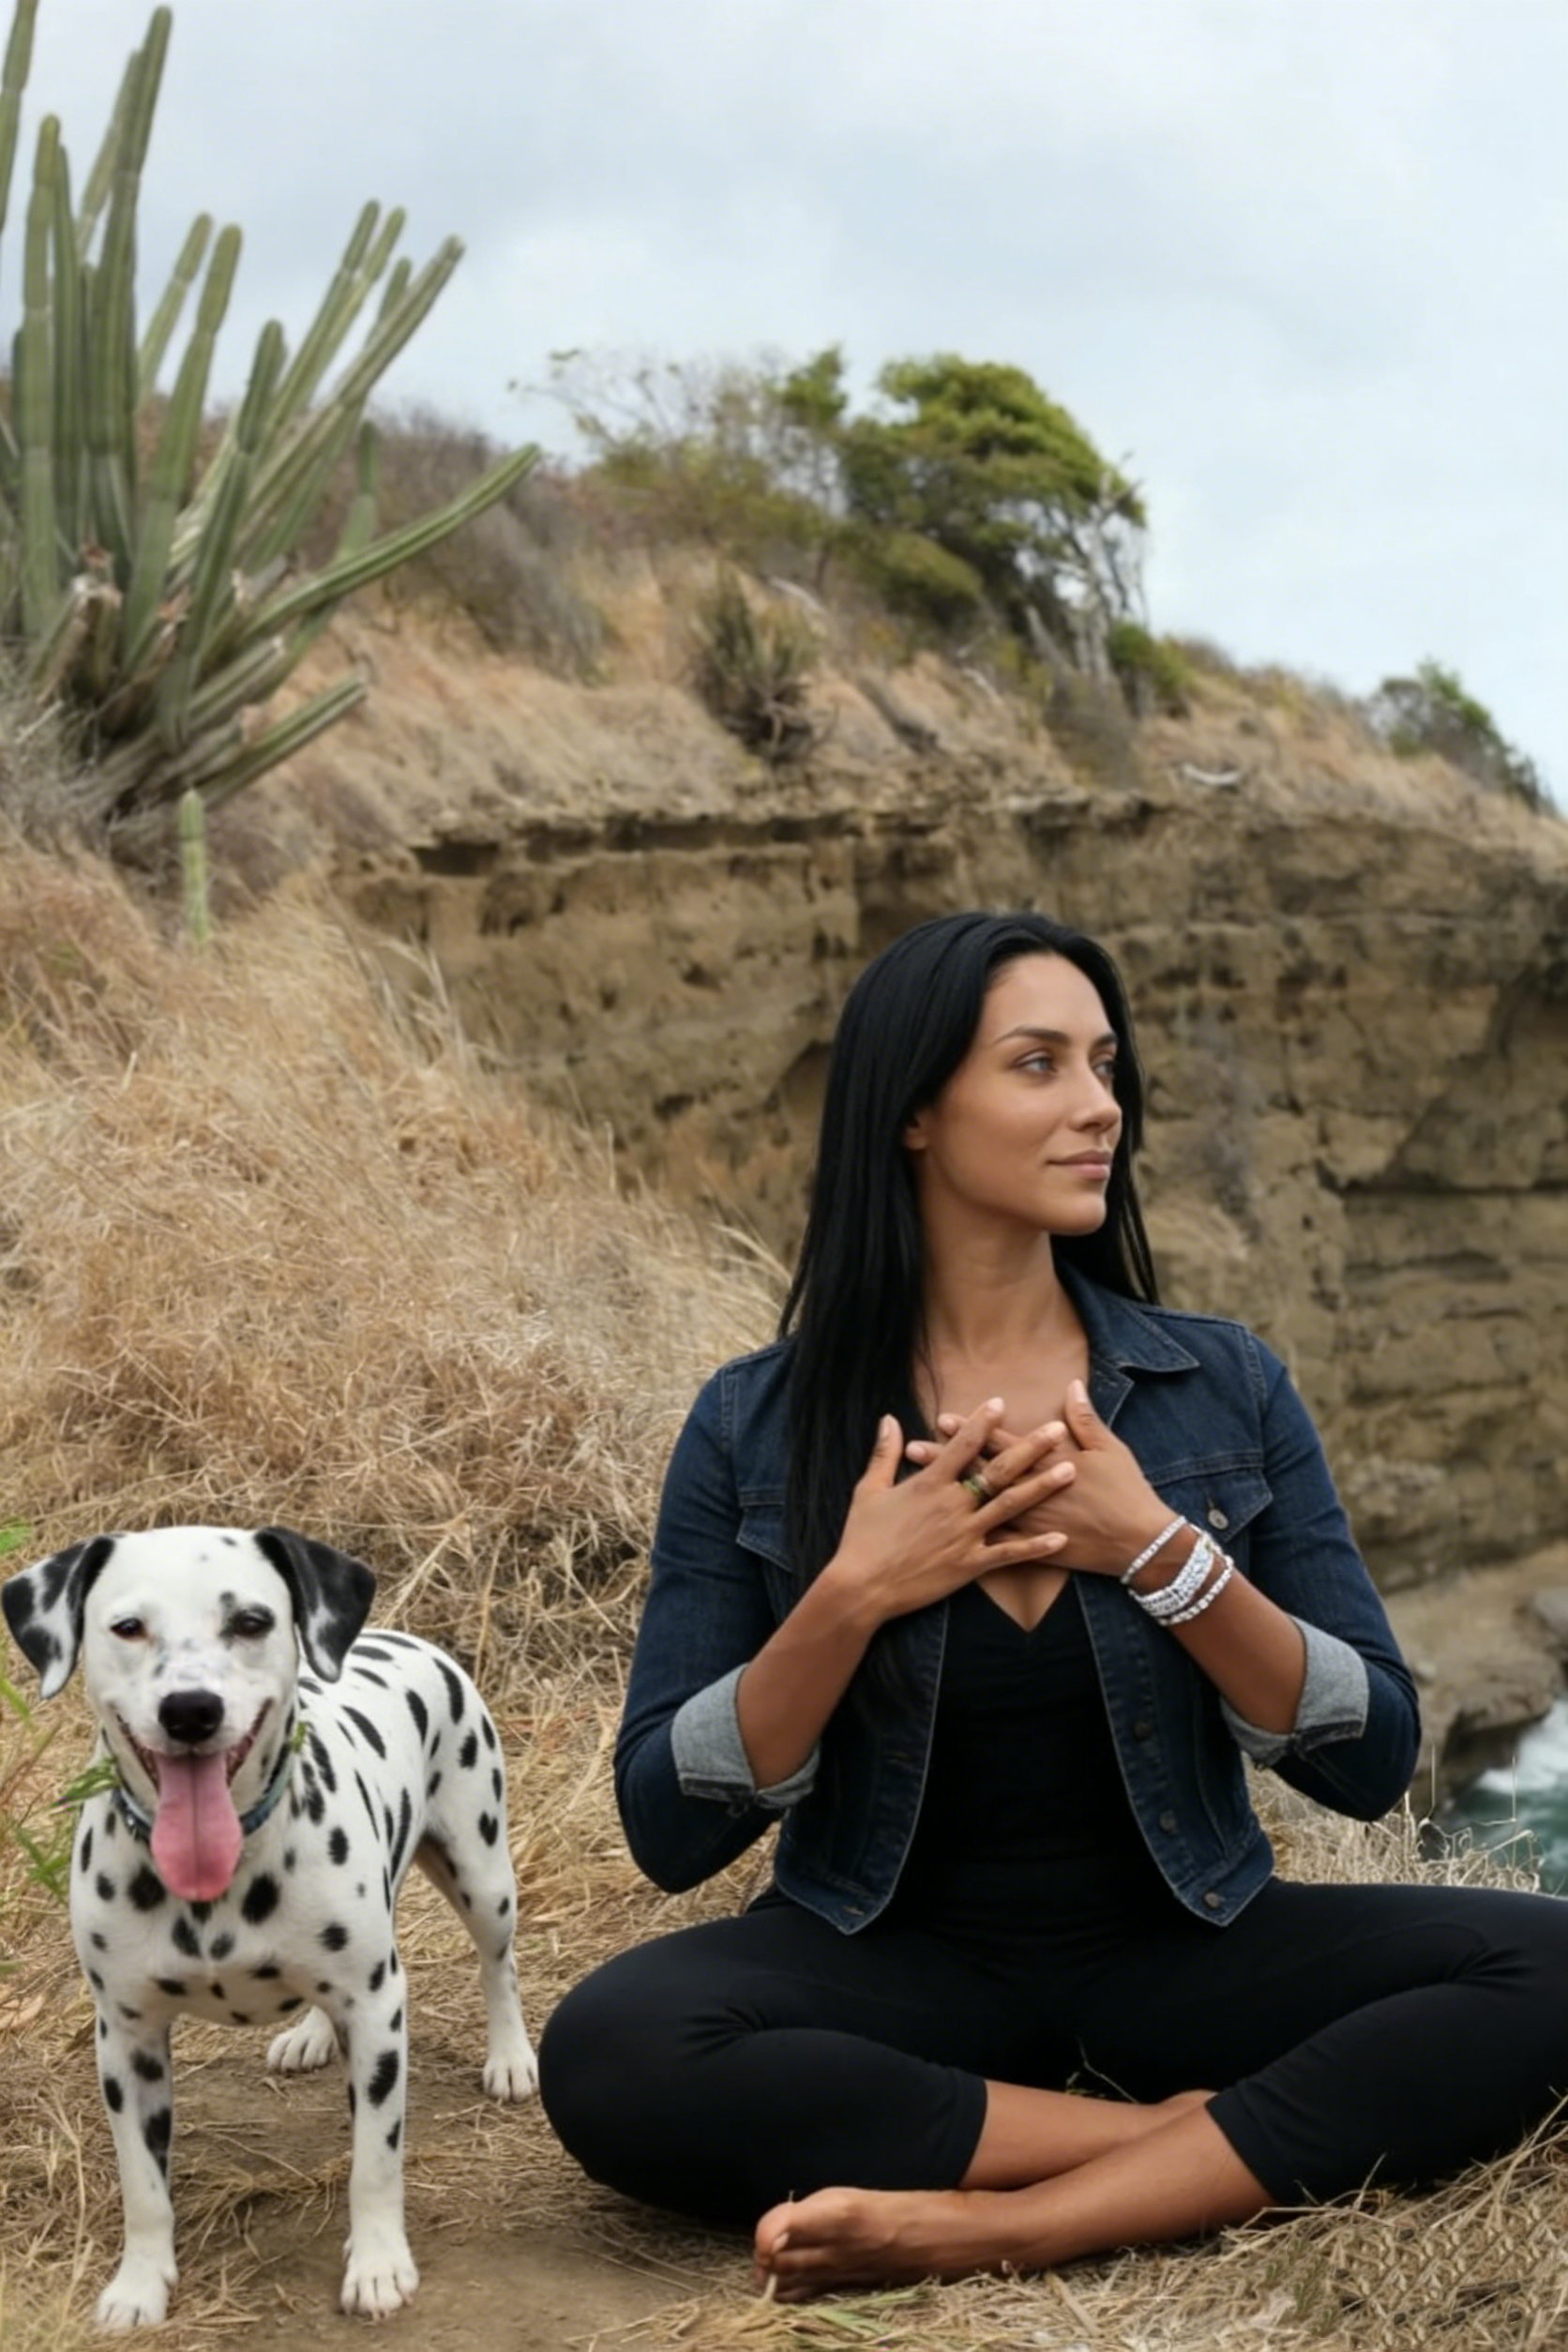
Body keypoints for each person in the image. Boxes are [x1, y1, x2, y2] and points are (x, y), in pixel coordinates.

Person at [537, 909, 1568, 2300]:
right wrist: (855, 1594)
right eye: (1039, 1065)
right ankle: (1164, 2147)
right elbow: (668, 1824)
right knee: (613, 2046)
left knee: (1554, 1968)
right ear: (912, 1113)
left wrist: (1161, 1553)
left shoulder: (1225, 1385)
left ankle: (998, 2223)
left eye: (1104, 1064)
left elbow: (1373, 1757)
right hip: (890, 1973)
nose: (1101, 1108)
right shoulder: (757, 1422)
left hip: (1186, 1955)